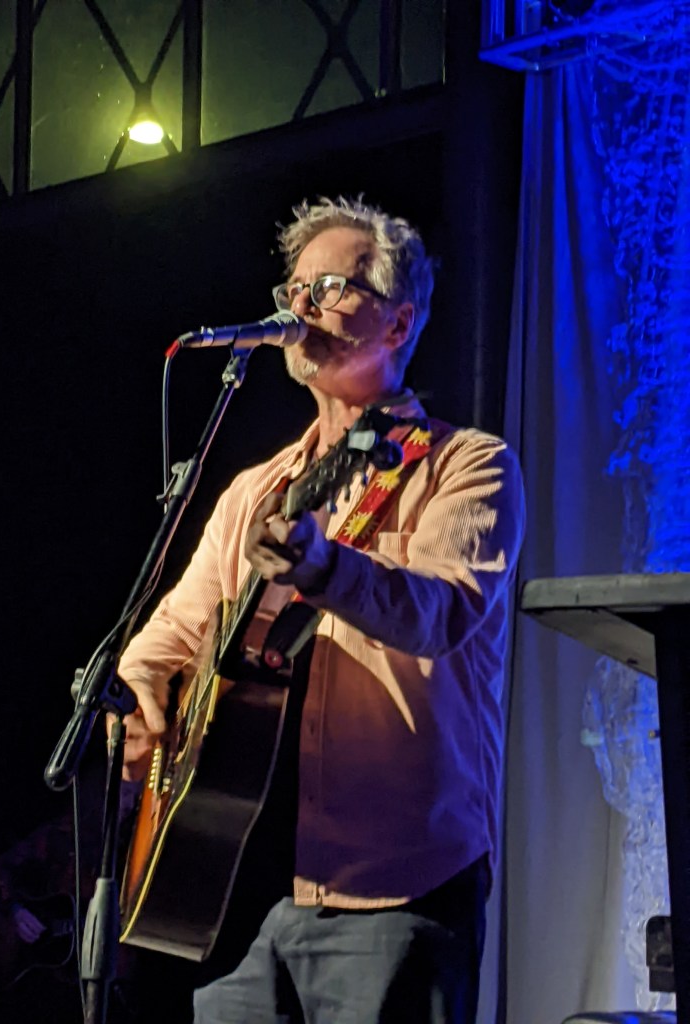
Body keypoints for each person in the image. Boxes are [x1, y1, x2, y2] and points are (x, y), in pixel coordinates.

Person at [116, 195, 526, 1023]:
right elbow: (176, 626)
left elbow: (440, 615)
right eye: (293, 288)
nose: (298, 308)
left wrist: (323, 565)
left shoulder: (467, 465)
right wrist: (142, 690)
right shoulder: (252, 490)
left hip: (395, 881)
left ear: (399, 321)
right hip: (233, 886)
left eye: (330, 286)